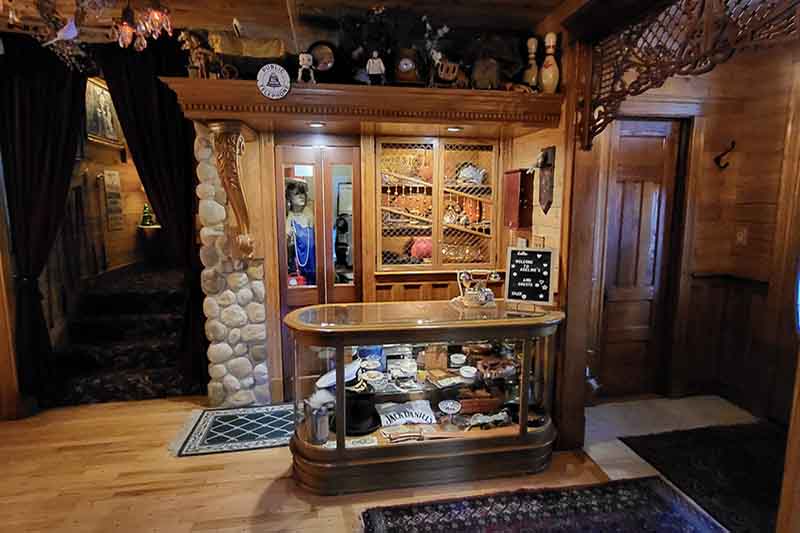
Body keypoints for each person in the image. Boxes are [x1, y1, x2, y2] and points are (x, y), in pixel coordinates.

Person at [285, 181, 316, 285]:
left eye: (303, 193)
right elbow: (286, 244)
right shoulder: (290, 217)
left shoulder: (309, 214)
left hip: (314, 264)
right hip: (298, 266)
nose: (301, 196)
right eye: (297, 193)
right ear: (289, 198)